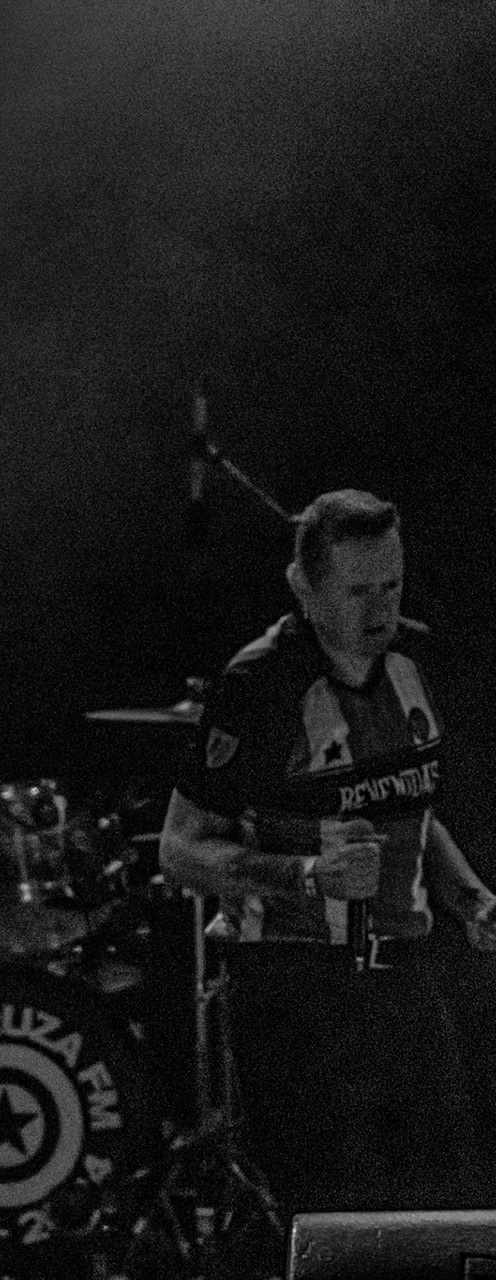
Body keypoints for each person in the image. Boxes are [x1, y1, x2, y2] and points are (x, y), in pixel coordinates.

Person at [159, 488, 496, 1223]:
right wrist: (307, 874)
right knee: (334, 1213)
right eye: (357, 591)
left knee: (452, 1201)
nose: (380, 610)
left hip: (404, 971)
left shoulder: (416, 658)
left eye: (392, 586)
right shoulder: (259, 685)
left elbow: (410, 809)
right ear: (303, 588)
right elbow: (179, 849)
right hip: (296, 990)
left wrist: (469, 896)